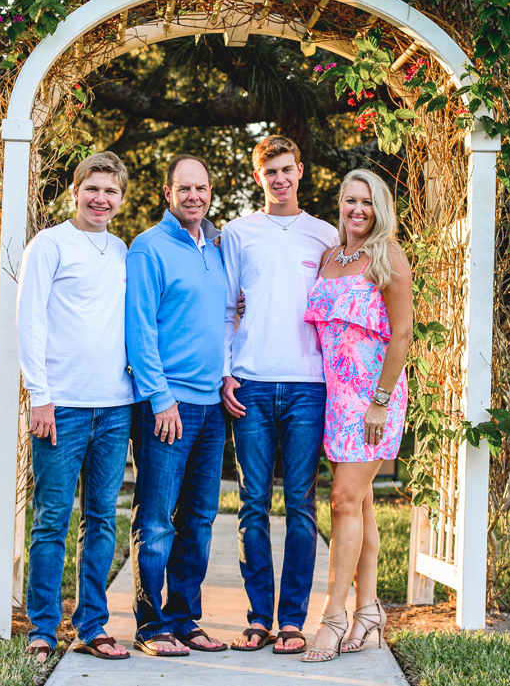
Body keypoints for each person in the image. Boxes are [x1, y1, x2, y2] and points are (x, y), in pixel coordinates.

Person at [220, 136, 339, 654]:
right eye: (270, 172)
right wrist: (226, 372)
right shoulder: (238, 233)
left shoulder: (325, 235)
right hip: (250, 383)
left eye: (287, 170)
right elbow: (227, 309)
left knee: (301, 506)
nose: (280, 179)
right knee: (251, 505)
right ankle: (257, 618)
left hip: (309, 386)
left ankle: (292, 619)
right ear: (258, 177)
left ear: (301, 170)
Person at [18, 152, 135, 663]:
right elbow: (30, 322)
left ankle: (92, 625)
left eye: (111, 192)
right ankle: (43, 629)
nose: (101, 199)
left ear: (121, 199)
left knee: (102, 520)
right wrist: (38, 396)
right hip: (60, 406)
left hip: (115, 406)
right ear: (75, 191)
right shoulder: (49, 244)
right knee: (50, 520)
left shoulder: (122, 250)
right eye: (93, 189)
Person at [300, 169, 413, 663]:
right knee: (359, 504)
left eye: (367, 202)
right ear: (340, 204)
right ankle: (368, 613)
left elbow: (404, 335)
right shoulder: (330, 256)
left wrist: (380, 401)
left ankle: (333, 617)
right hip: (335, 397)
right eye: (350, 200)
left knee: (344, 500)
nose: (357, 210)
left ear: (380, 207)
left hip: (372, 400)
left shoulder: (388, 256)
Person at [125, 154, 229, 657]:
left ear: (211, 192)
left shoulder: (216, 246)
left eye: (201, 188)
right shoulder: (148, 248)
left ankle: (186, 617)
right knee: (157, 519)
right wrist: (160, 398)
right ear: (168, 193)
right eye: (184, 188)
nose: (194, 196)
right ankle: (151, 625)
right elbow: (139, 330)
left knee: (200, 518)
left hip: (212, 408)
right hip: (168, 407)